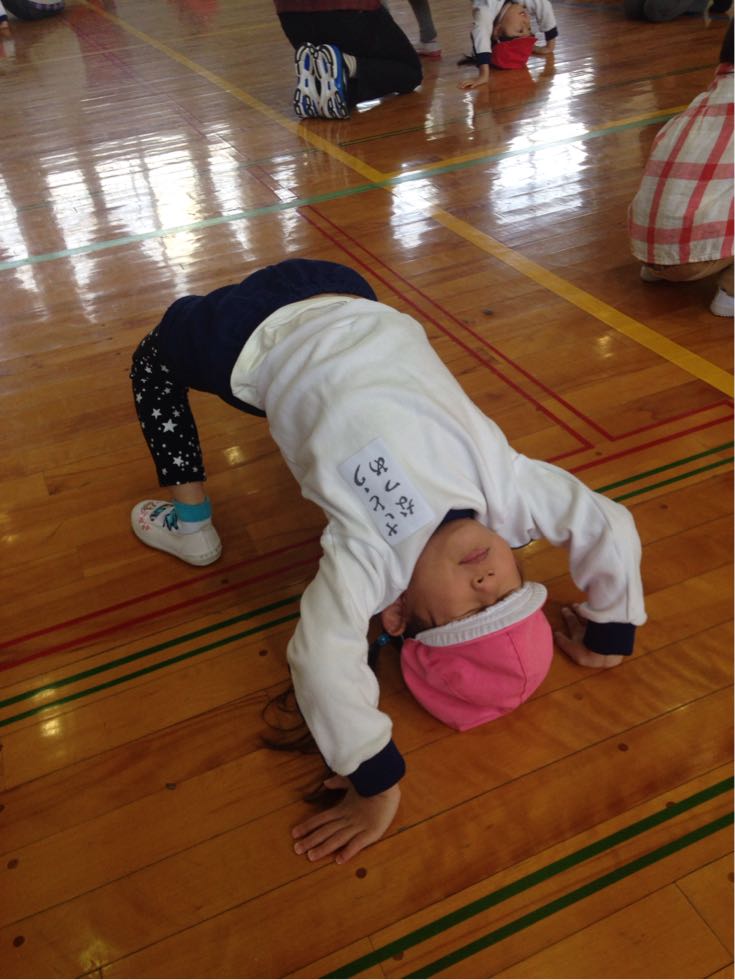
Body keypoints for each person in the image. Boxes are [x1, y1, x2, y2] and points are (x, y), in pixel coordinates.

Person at [129, 258, 646, 863]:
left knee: (151, 363)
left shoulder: (372, 560)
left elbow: (322, 658)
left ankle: (191, 525)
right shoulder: (510, 495)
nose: (487, 582)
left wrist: (375, 781)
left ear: (396, 615)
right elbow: (609, 523)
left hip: (248, 338)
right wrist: (612, 628)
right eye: (510, 594)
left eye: (472, 613)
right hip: (349, 295)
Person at [628, 20, 734, 317]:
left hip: (647, 249)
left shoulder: (703, 101)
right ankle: (731, 293)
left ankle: (660, 270)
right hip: (693, 260)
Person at [272, 0, 422, 120]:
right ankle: (346, 65)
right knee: (410, 71)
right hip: (348, 12)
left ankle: (319, 91)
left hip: (291, 19)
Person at [459, 0, 557, 90]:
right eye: (529, 28)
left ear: (498, 30)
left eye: (520, 30)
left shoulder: (485, 11)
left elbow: (481, 33)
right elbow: (543, 4)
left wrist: (484, 75)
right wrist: (550, 45)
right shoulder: (519, 2)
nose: (526, 21)